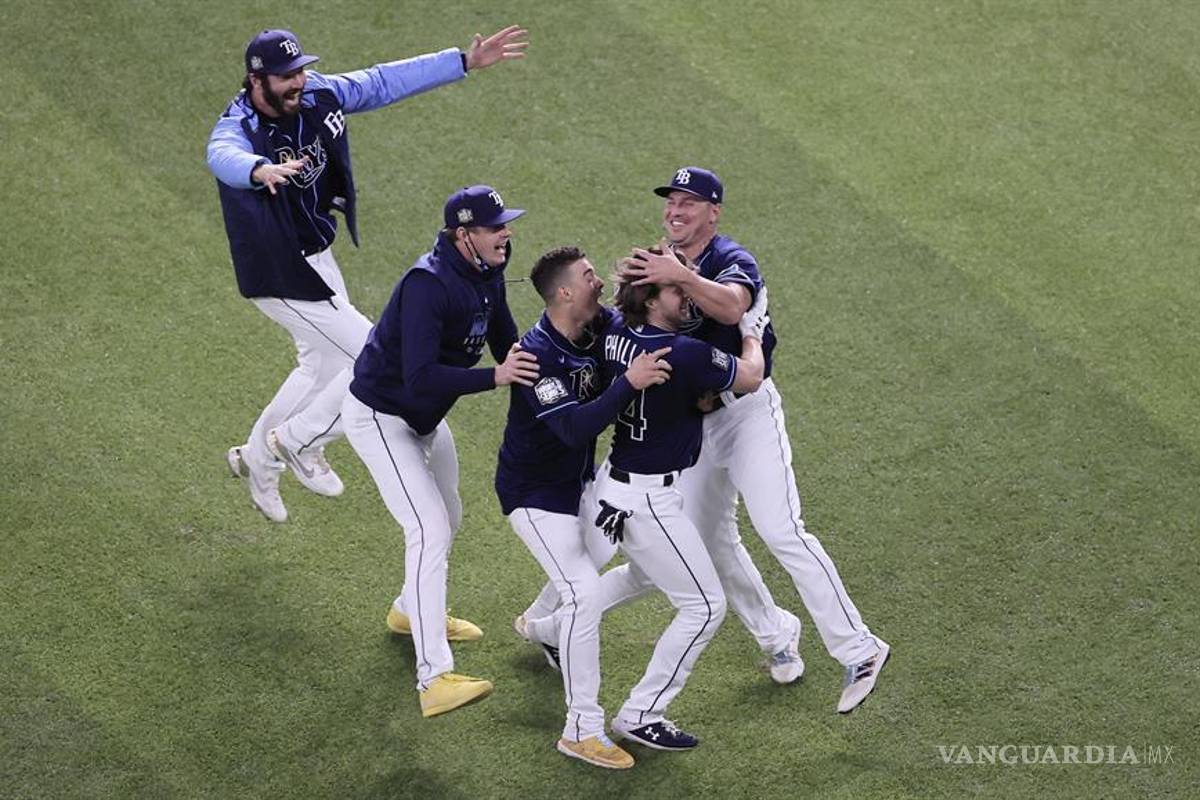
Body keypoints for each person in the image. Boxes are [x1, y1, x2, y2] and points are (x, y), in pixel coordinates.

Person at [207, 25, 528, 522]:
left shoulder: (317, 94)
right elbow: (220, 154)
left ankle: (258, 459)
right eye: (286, 76)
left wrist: (461, 61)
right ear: (257, 80)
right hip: (279, 274)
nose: (299, 82)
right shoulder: (239, 126)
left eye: (300, 71)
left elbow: (380, 82)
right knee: (378, 357)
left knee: (318, 367)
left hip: (314, 257)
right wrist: (257, 170)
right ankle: (298, 443)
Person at [620, 166, 890, 713]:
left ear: (713, 212)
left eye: (689, 202)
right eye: (671, 200)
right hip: (696, 425)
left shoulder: (730, 258)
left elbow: (734, 306)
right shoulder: (662, 257)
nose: (676, 209)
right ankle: (776, 636)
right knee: (709, 537)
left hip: (747, 415)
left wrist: (684, 277)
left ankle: (861, 648)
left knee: (781, 529)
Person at [341, 185, 538, 718]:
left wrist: (543, 373)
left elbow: (505, 337)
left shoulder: (486, 269)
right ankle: (434, 678)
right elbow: (422, 376)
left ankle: (410, 610)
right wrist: (497, 378)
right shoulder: (428, 283)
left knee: (448, 516)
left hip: (424, 419)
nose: (506, 233)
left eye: (505, 224)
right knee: (427, 529)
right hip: (382, 418)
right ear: (463, 235)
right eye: (496, 227)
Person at [497, 246, 672, 769]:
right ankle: (581, 729)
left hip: (581, 484)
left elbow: (638, 321)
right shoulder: (535, 356)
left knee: (617, 568)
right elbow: (573, 426)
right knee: (583, 593)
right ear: (565, 292)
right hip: (534, 496)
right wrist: (628, 382)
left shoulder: (596, 325)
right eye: (589, 275)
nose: (598, 281)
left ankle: (539, 625)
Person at [588, 267, 770, 751]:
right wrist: (751, 332)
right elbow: (750, 377)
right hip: (649, 500)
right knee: (705, 606)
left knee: (645, 576)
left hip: (617, 485)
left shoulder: (614, 331)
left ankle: (550, 627)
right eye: (675, 288)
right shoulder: (683, 352)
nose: (687, 293)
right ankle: (642, 712)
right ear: (650, 300)